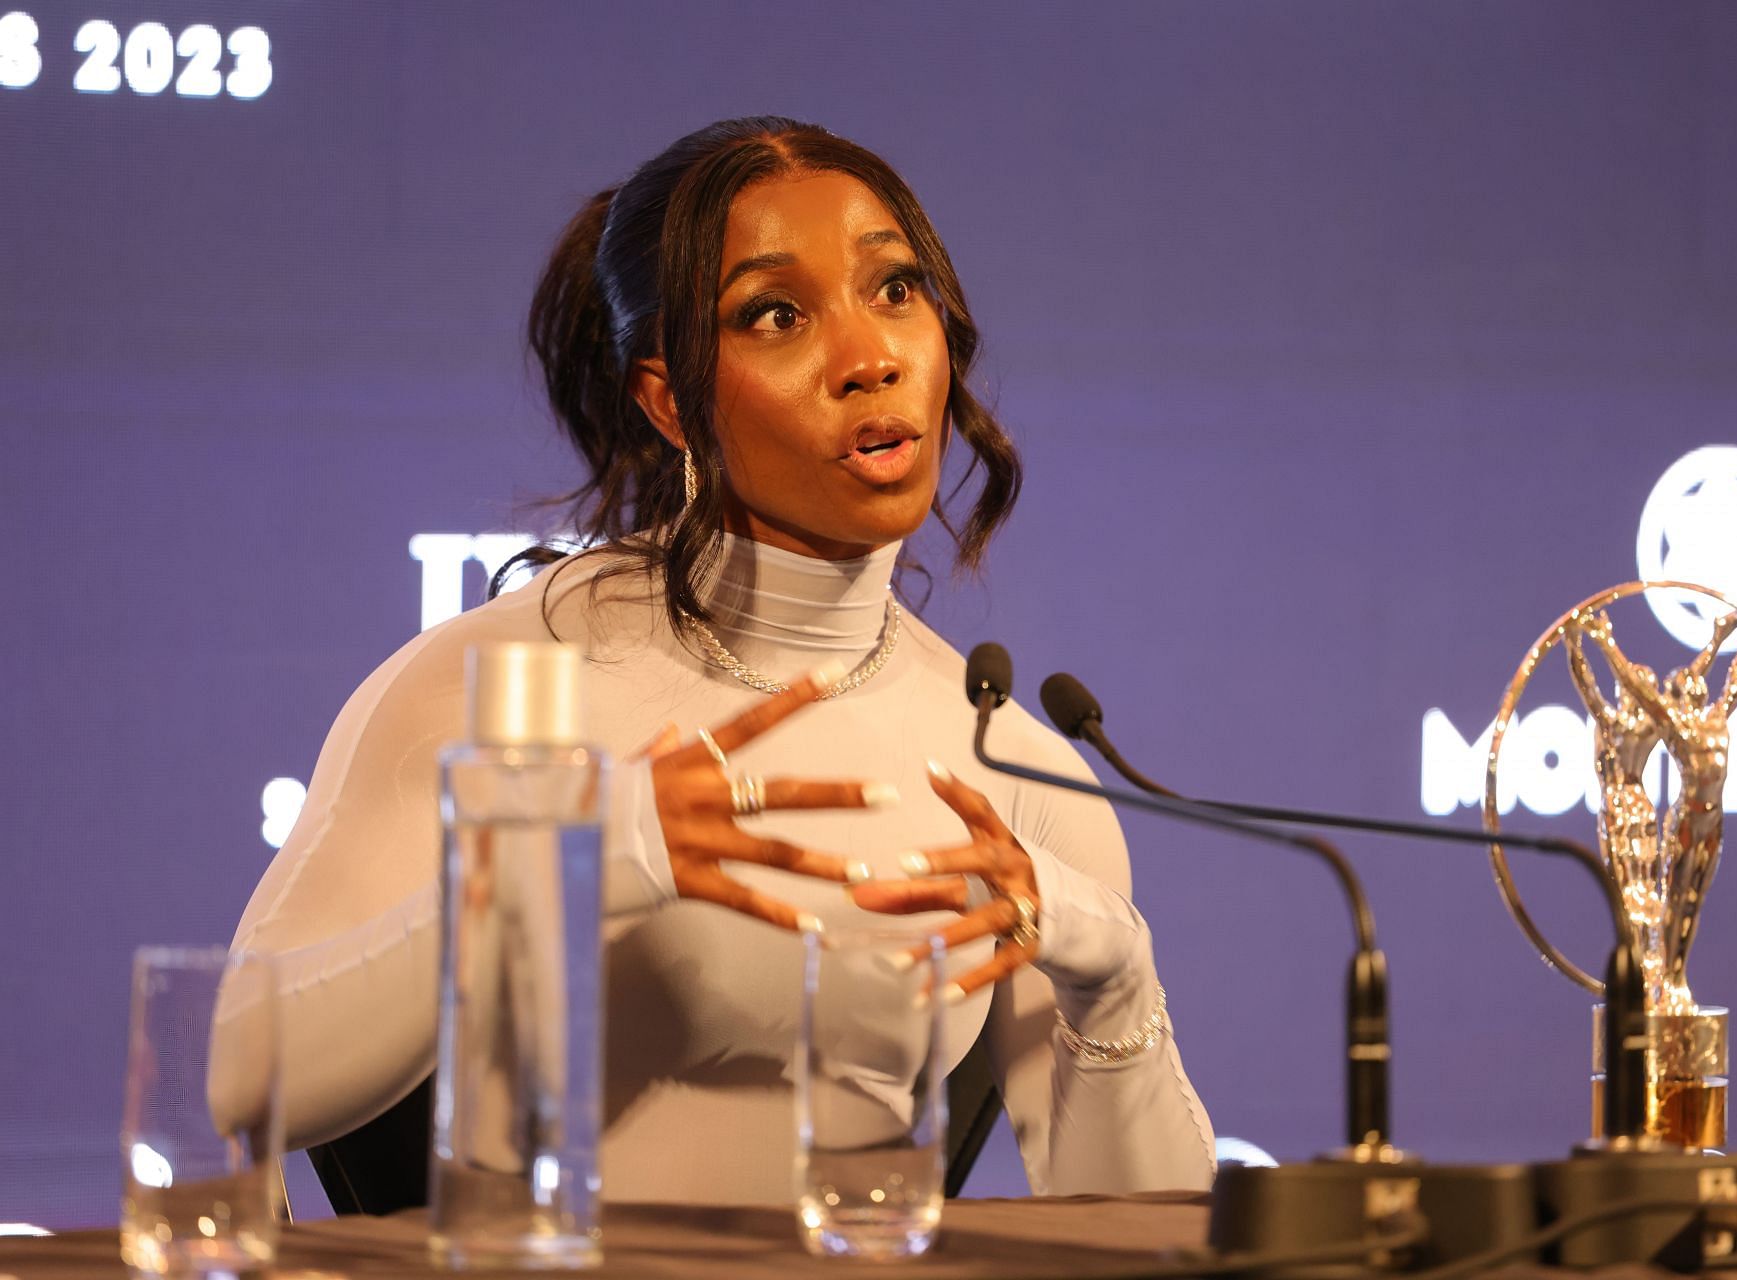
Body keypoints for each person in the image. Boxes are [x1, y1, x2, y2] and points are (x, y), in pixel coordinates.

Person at [228, 116, 1214, 1204]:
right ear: (668, 398)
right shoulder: (489, 691)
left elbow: (1140, 1235)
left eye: (895, 289)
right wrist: (584, 854)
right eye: (778, 314)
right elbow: (241, 1074)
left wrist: (1113, 979)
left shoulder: (1015, 772)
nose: (870, 356)